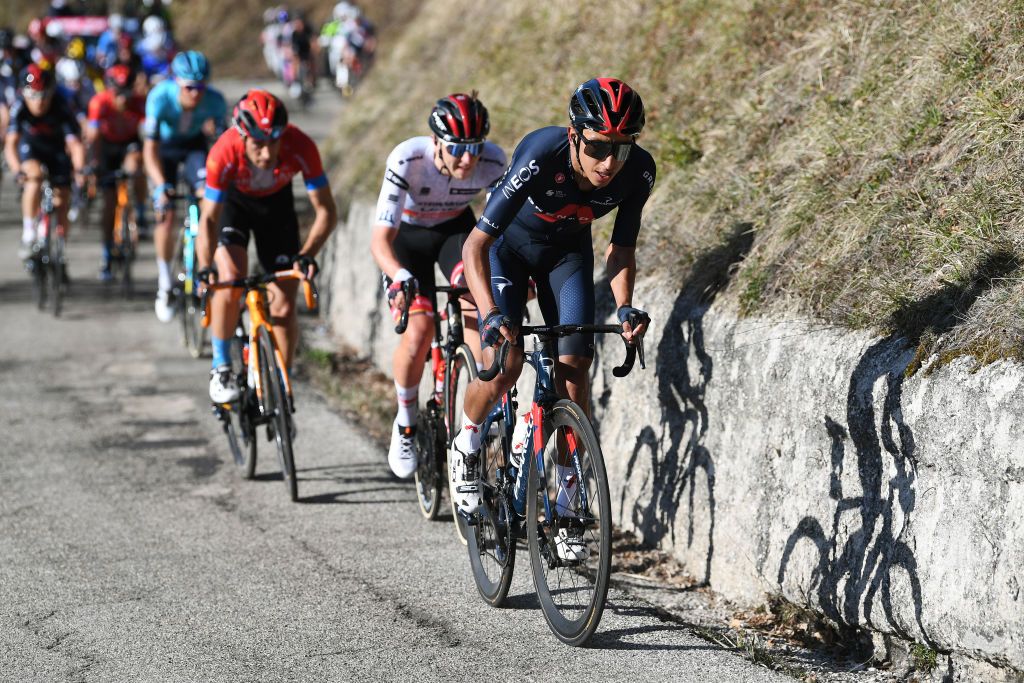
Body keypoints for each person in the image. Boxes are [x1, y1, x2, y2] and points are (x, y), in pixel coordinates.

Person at [449, 78, 655, 540]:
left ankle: (563, 497)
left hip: (567, 256)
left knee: (575, 366)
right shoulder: (543, 154)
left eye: (622, 149)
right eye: (599, 147)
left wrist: (624, 308)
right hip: (508, 251)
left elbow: (621, 249)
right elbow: (475, 245)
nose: (609, 162)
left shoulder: (638, 171)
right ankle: (467, 442)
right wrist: (490, 314)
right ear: (574, 134)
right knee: (506, 361)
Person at [369, 92, 507, 479]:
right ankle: (406, 421)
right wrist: (399, 276)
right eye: (457, 149)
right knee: (419, 329)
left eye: (474, 148)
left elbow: (501, 233)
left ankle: (481, 397)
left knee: (475, 300)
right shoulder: (407, 159)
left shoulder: (494, 161)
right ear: (435, 143)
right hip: (406, 238)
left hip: (454, 233)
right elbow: (380, 240)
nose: (468, 160)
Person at [196, 89, 337, 403]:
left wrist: (306, 255)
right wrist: (206, 266)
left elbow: (326, 211)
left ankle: (281, 387)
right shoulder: (224, 151)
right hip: (235, 206)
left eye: (274, 141)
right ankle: (221, 365)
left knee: (284, 306)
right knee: (230, 277)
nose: (266, 153)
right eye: (258, 144)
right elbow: (207, 220)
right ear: (243, 136)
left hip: (276, 209)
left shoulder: (300, 145)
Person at [143, 50, 227, 322]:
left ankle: (205, 265)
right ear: (177, 83)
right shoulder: (159, 98)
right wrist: (159, 187)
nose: (196, 93)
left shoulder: (215, 101)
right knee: (165, 216)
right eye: (190, 87)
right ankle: (165, 284)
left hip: (193, 149)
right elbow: (150, 150)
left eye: (201, 86)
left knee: (207, 199)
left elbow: (223, 148)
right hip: (164, 150)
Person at [5, 64, 86, 262]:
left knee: (62, 199)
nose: (38, 103)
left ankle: (59, 247)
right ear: (24, 93)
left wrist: (80, 170)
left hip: (57, 150)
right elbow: (10, 144)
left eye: (43, 96)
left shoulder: (62, 105)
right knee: (33, 178)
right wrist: (17, 171)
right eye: (33, 96)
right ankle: (29, 233)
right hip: (31, 149)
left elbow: (75, 145)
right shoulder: (19, 107)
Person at [86, 64, 147, 280]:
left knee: (136, 166)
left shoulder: (139, 103)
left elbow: (149, 136)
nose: (122, 99)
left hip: (129, 144)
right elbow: (92, 137)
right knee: (109, 203)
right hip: (107, 148)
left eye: (127, 93)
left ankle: (139, 209)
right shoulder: (99, 103)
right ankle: (106, 250)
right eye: (118, 93)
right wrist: (92, 164)